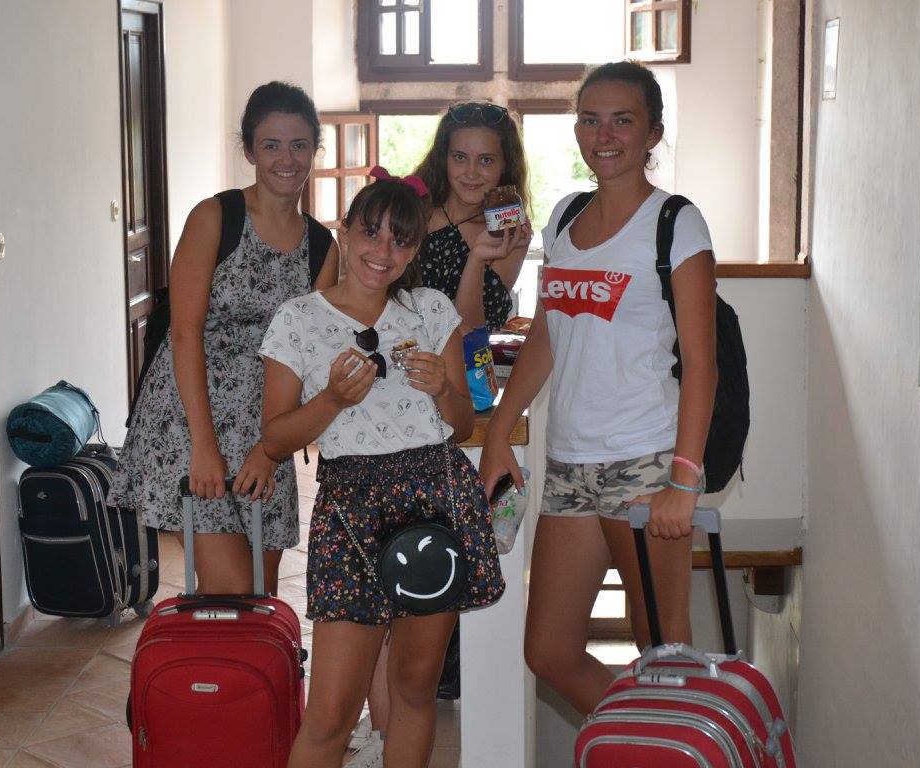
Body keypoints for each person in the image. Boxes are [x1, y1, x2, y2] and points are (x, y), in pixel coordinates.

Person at [479, 60, 718, 717]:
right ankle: (645, 741)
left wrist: (684, 480)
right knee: (549, 652)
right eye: (590, 120)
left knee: (662, 651)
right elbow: (548, 334)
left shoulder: (676, 222)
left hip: (645, 461)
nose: (603, 135)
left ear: (652, 133)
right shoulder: (565, 217)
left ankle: (667, 742)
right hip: (569, 463)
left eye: (622, 120)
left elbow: (702, 364)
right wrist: (499, 429)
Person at [259, 174, 505, 768]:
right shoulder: (298, 319)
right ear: (344, 234)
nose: (383, 251)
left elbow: (461, 425)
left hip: (435, 500)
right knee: (330, 714)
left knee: (415, 690)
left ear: (414, 250)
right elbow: (274, 438)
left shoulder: (431, 309)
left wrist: (444, 387)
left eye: (401, 240)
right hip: (350, 506)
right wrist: (331, 401)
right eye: (370, 233)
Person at [108, 82, 338, 595]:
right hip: (193, 419)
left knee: (262, 594)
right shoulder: (215, 217)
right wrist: (204, 447)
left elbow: (307, 355)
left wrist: (272, 449)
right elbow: (184, 333)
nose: (286, 159)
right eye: (271, 145)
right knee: (233, 594)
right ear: (249, 150)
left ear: (314, 150)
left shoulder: (323, 246)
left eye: (299, 145)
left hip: (267, 428)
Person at [412, 102, 533, 331]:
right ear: (443, 158)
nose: (471, 172)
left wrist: (476, 259)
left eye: (486, 160)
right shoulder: (413, 211)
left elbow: (471, 333)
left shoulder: (508, 234)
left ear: (505, 164)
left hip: (463, 355)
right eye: (460, 157)